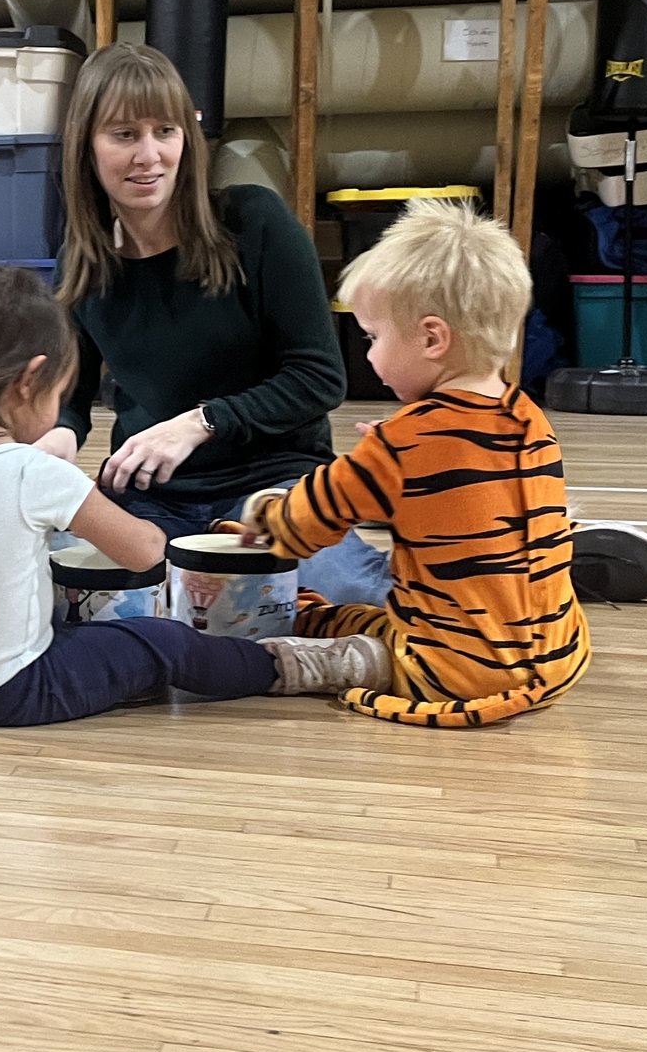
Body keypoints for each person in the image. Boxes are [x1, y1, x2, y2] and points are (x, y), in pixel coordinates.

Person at [35, 44, 647, 606]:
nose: (149, 155)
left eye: (165, 132)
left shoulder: (253, 222)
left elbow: (318, 378)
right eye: (124, 135)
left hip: (271, 486)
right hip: (151, 498)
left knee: (363, 600)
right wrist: (61, 433)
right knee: (54, 581)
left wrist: (200, 422)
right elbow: (72, 392)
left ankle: (534, 561)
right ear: (87, 145)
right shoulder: (82, 261)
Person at [0, 263, 312, 727]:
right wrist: (95, 498)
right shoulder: (32, 470)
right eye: (61, 393)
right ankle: (285, 665)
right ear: (30, 380)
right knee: (164, 641)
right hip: (6, 692)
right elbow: (145, 553)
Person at [236, 199, 593, 725]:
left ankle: (326, 665)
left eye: (374, 337)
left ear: (431, 338)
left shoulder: (405, 441)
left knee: (330, 621)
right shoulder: (527, 418)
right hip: (559, 657)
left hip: (455, 667)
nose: (371, 355)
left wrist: (267, 513)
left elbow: (312, 519)